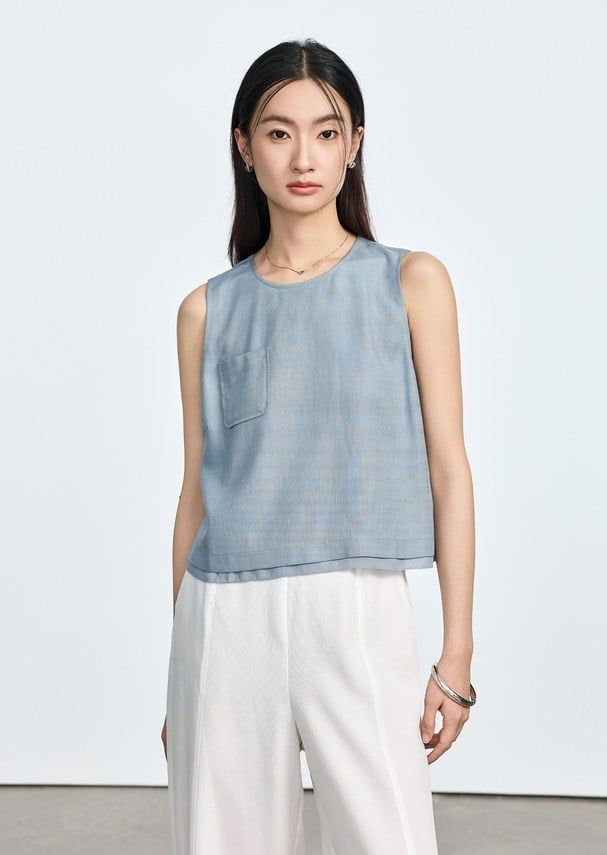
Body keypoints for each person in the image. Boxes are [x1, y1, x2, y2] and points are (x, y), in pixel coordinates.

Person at [161, 37, 476, 855]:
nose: (304, 156)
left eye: (326, 132)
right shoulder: (206, 310)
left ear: (354, 144)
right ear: (244, 146)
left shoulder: (410, 282)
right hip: (225, 614)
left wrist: (457, 652)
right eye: (279, 132)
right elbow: (195, 494)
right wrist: (179, 670)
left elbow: (449, 470)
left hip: (357, 603)